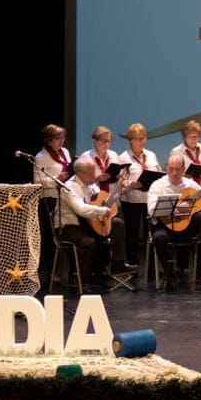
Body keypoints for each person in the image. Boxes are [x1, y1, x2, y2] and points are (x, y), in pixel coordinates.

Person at [148, 153, 201, 284]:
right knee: (158, 237)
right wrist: (177, 207)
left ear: (184, 170)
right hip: (166, 226)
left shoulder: (191, 185)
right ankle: (170, 273)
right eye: (171, 169)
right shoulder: (158, 185)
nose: (174, 172)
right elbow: (151, 209)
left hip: (187, 228)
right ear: (166, 168)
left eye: (177, 169)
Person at [59, 157, 131, 287]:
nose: (95, 175)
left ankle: (118, 264)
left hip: (88, 224)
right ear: (80, 174)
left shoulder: (91, 184)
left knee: (117, 223)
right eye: (91, 172)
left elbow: (104, 201)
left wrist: (118, 191)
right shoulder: (68, 188)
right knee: (89, 242)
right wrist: (102, 211)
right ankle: (84, 281)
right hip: (69, 226)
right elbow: (81, 210)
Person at [117, 123, 158, 270]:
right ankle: (133, 263)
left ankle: (152, 266)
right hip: (131, 200)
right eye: (137, 138)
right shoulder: (123, 158)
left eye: (143, 138)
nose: (140, 141)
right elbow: (120, 182)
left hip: (149, 200)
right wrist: (130, 184)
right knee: (132, 233)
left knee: (152, 233)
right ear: (130, 140)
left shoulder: (151, 155)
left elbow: (158, 175)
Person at [33, 123, 72, 279]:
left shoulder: (65, 152)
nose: (62, 141)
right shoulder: (40, 157)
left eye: (63, 137)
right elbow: (37, 182)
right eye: (58, 138)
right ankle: (51, 272)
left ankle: (71, 271)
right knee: (50, 237)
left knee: (67, 233)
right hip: (48, 200)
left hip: (65, 198)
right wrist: (57, 179)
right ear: (49, 140)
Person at [86, 125, 121, 193]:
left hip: (111, 199)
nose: (107, 144)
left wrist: (119, 177)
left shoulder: (114, 155)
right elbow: (80, 182)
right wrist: (97, 179)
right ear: (95, 140)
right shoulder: (86, 157)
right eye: (103, 141)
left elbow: (120, 177)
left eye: (109, 141)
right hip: (93, 198)